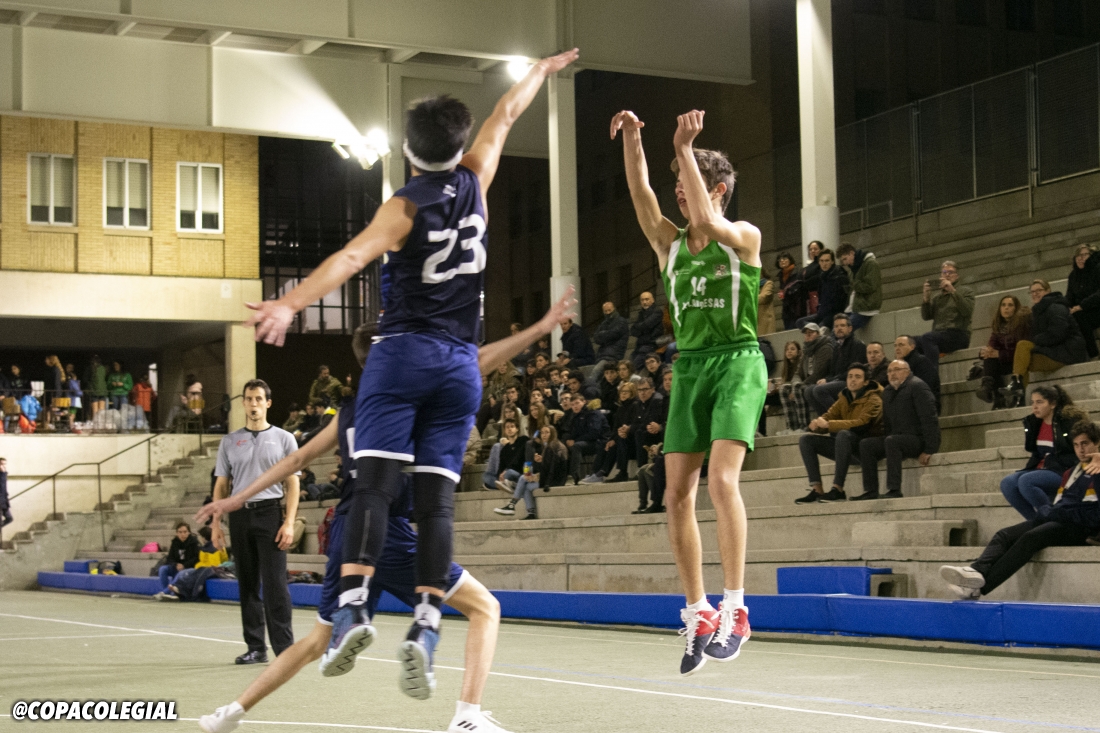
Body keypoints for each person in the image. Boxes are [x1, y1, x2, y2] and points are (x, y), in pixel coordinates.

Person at [244, 49, 580, 703]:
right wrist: (540, 72)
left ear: (406, 150)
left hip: (403, 354)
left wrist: (290, 301)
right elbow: (506, 114)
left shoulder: (403, 206)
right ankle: (427, 623)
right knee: (436, 503)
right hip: (459, 363)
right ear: (460, 143)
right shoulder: (477, 178)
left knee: (373, 486)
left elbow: (351, 257)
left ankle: (352, 609)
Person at [198, 290, 577, 733]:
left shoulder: (349, 410)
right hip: (388, 531)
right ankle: (467, 715)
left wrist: (235, 498)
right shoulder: (412, 396)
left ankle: (231, 712)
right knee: (485, 608)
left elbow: (296, 459)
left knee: (317, 639)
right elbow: (476, 363)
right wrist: (539, 328)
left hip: (346, 531)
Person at [613, 107, 764, 675]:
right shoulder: (668, 244)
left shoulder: (742, 236)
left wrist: (683, 149)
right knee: (675, 494)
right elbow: (640, 192)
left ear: (718, 189)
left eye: (689, 182)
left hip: (738, 362)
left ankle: (736, 610)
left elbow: (706, 217)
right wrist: (634, 139)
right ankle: (699, 610)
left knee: (722, 481)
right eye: (677, 183)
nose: (678, 192)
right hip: (692, 368)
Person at [940, 421, 1100, 600]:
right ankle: (976, 571)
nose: (1081, 450)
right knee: (1005, 535)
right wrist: (1050, 512)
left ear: (1097, 443)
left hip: (1082, 529)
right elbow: (1061, 503)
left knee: (1030, 538)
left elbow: (1095, 516)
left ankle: (979, 589)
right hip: (1060, 519)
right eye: (1076, 445)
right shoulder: (1070, 473)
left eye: (1085, 443)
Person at [210, 379, 301, 664]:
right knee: (247, 584)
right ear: (243, 403)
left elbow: (293, 483)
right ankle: (256, 648)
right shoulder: (229, 441)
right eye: (249, 399)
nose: (253, 404)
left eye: (259, 399)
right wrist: (216, 524)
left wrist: (288, 522)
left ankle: (285, 650)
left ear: (268, 403)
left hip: (270, 514)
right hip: (239, 515)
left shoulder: (285, 438)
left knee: (275, 585)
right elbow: (221, 485)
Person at [795, 363, 883, 504]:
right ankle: (817, 490)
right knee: (806, 440)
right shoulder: (844, 397)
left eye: (857, 377)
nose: (852, 380)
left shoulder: (874, 399)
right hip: (846, 448)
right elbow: (829, 415)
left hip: (865, 449)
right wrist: (817, 424)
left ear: (866, 382)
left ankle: (838, 489)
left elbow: (862, 423)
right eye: (850, 376)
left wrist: (829, 425)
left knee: (843, 435)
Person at [852, 360, 939, 500]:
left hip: (917, 439)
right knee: (866, 444)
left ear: (907, 372)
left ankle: (894, 489)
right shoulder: (887, 391)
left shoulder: (917, 386)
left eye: (897, 370)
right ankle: (871, 490)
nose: (892, 374)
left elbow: (929, 418)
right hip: (896, 440)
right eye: (890, 371)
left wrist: (930, 448)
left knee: (892, 441)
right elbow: (887, 423)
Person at [998, 385, 1086, 520]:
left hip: (1062, 469)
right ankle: (1035, 522)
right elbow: (1036, 453)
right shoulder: (1034, 422)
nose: (1034, 407)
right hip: (1041, 468)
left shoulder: (1068, 422)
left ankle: (1052, 517)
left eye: (1039, 402)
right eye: (1033, 402)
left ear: (1053, 404)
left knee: (1026, 481)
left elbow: (1076, 451)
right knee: (1007, 483)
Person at [1000, 280, 1088, 408]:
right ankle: (1019, 394)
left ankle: (1018, 390)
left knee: (1023, 349)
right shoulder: (1039, 311)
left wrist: (1036, 341)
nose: (1035, 294)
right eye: (1032, 291)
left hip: (1067, 352)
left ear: (1048, 291)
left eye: (1039, 290)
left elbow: (1058, 333)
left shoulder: (1055, 307)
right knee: (1022, 358)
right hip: (1054, 351)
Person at [494, 425, 569, 520]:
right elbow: (549, 466)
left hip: (553, 481)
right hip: (551, 478)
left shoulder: (552, 446)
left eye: (547, 432)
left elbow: (553, 469)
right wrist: (541, 461)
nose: (544, 435)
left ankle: (511, 504)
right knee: (526, 487)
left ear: (553, 433)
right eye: (542, 433)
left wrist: (538, 478)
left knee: (523, 478)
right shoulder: (551, 445)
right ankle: (530, 513)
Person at [806, 314, 866, 417]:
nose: (839, 328)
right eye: (836, 326)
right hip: (837, 381)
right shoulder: (836, 348)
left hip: (849, 381)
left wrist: (829, 380)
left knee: (819, 390)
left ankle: (839, 417)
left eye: (842, 325)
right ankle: (825, 420)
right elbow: (832, 372)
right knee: (808, 391)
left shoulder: (858, 345)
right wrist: (826, 379)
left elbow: (854, 371)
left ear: (850, 328)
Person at [918, 260, 974, 369]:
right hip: (939, 335)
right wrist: (926, 299)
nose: (947, 275)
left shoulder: (966, 291)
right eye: (944, 272)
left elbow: (967, 311)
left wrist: (952, 291)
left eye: (950, 272)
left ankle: (932, 375)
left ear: (957, 276)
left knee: (928, 338)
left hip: (959, 334)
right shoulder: (937, 297)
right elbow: (926, 316)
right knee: (910, 343)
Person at [977, 295, 1030, 409]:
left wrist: (1000, 354)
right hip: (1006, 361)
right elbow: (992, 344)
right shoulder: (999, 326)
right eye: (1003, 305)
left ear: (1016, 308)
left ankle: (996, 397)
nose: (1006, 308)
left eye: (1010, 305)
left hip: (1018, 363)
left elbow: (1021, 351)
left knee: (992, 362)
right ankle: (989, 389)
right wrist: (985, 352)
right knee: (989, 360)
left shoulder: (1022, 324)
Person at [580, 381, 638, 484]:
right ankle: (597, 473)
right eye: (621, 392)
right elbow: (615, 428)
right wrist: (612, 440)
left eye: (626, 392)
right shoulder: (620, 408)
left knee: (618, 441)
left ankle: (617, 472)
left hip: (632, 439)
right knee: (606, 443)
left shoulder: (635, 405)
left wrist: (625, 431)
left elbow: (636, 424)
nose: (623, 394)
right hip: (621, 437)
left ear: (632, 393)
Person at [561, 393, 610, 485]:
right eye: (572, 405)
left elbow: (594, 433)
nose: (575, 406)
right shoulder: (575, 417)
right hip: (586, 441)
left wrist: (575, 441)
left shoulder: (593, 413)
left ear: (584, 402)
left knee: (577, 446)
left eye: (577, 403)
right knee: (562, 447)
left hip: (599, 442)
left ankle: (573, 477)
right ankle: (562, 477)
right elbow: (572, 432)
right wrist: (568, 440)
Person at [795, 248, 848, 330]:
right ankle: (815, 331)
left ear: (832, 261)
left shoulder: (839, 275)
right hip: (822, 313)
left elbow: (841, 300)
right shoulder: (821, 276)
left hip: (835, 313)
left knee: (821, 326)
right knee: (800, 322)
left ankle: (816, 331)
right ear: (819, 262)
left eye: (827, 261)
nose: (824, 264)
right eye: (822, 261)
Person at [837, 242, 881, 332]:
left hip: (866, 309)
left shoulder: (871, 264)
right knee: (837, 327)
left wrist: (854, 284)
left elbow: (871, 286)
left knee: (840, 331)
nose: (845, 263)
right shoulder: (852, 268)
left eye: (845, 259)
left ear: (852, 253)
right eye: (842, 261)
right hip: (854, 307)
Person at [1067, 244, 1100, 359]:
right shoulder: (1073, 275)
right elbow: (1069, 296)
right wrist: (1066, 307)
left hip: (1096, 308)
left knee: (1079, 316)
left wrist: (1082, 306)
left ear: (1091, 256)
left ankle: (1093, 354)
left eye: (1085, 255)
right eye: (1078, 256)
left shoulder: (1097, 269)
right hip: (1082, 311)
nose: (1081, 258)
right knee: (1068, 318)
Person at [153, 521, 201, 600]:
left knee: (180, 573)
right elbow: (170, 558)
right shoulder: (175, 542)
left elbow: (197, 558)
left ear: (189, 532)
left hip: (189, 568)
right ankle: (167, 593)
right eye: (180, 532)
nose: (182, 534)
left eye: (185, 532)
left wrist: (184, 565)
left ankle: (165, 593)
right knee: (162, 569)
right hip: (177, 567)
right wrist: (176, 564)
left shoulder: (194, 542)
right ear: (177, 533)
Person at [481, 418, 528, 492]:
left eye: (512, 426)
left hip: (519, 473)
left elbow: (519, 459)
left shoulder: (523, 440)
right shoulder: (504, 449)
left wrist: (506, 470)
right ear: (505, 430)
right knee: (486, 476)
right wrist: (500, 475)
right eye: (507, 427)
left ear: (517, 429)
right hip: (506, 476)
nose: (509, 429)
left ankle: (505, 485)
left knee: (509, 473)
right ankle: (506, 484)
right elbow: (501, 466)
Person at [771, 341, 807, 435]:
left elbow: (801, 379)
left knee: (790, 388)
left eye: (792, 349)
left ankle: (804, 426)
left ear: (799, 352)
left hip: (802, 387)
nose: (789, 351)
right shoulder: (787, 366)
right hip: (791, 388)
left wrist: (792, 389)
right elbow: (787, 381)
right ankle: (791, 427)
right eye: (787, 350)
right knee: (783, 388)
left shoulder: (801, 363)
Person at [893, 335, 940, 404]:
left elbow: (925, 388)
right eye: (895, 346)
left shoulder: (922, 362)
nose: (897, 348)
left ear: (912, 347)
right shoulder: (897, 365)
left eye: (901, 345)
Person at [630, 291, 664, 370]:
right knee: (628, 364)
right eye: (642, 300)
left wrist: (639, 328)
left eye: (647, 299)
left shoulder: (657, 312)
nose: (644, 302)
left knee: (634, 366)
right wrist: (642, 328)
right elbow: (632, 330)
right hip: (640, 345)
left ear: (652, 300)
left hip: (651, 344)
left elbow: (645, 325)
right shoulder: (641, 313)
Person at [592, 301, 630, 373]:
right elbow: (596, 338)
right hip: (603, 354)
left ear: (614, 309)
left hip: (614, 354)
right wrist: (607, 334)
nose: (608, 313)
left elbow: (613, 334)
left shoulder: (621, 321)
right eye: (605, 311)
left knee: (596, 371)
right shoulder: (604, 323)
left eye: (609, 310)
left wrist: (602, 334)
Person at [775, 251, 802, 330]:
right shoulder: (781, 275)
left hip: (796, 306)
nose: (782, 261)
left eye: (784, 258)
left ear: (790, 260)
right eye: (780, 260)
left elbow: (799, 287)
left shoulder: (797, 272)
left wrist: (787, 292)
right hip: (787, 307)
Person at [799, 240, 824, 319]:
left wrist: (805, 283)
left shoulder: (822, 265)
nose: (813, 251)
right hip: (806, 299)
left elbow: (818, 278)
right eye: (810, 249)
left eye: (815, 249)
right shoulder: (805, 268)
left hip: (818, 296)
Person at [757, 266, 776, 336]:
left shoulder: (768, 283)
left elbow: (764, 297)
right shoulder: (752, 286)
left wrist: (750, 299)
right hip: (755, 320)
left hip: (765, 320)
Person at [0, 458, 10, 528]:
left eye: (5, 464)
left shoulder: (4, 474)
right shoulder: (3, 474)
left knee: (9, 518)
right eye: (1, 464)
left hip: (4, 502)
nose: (3, 466)